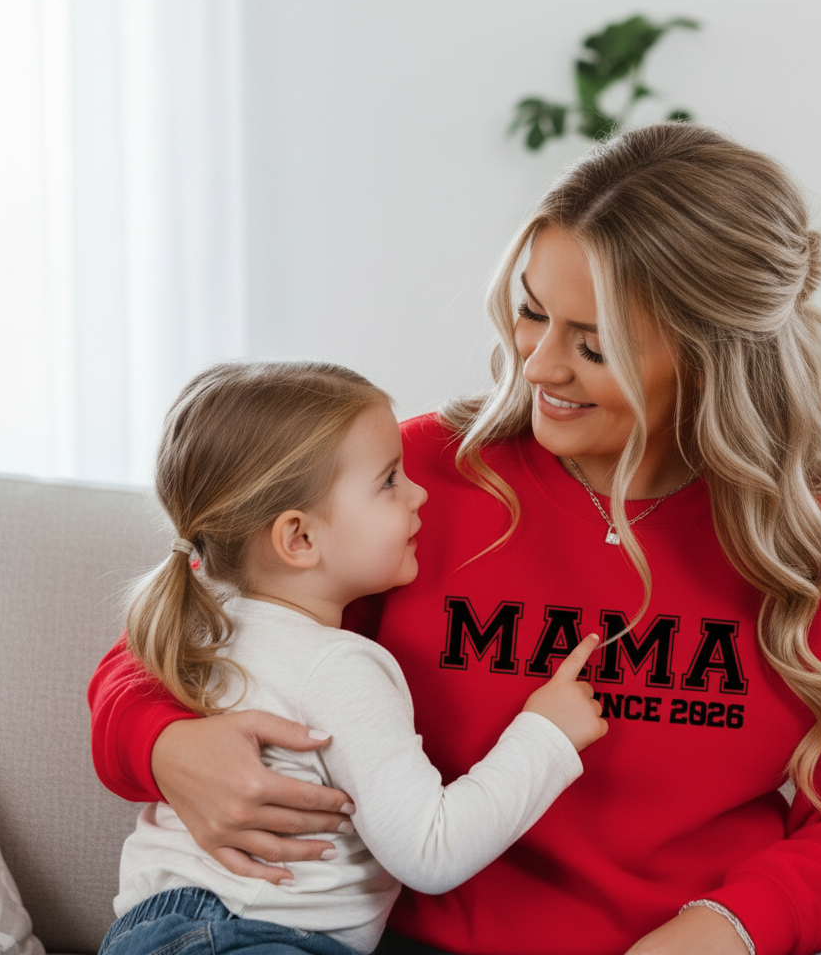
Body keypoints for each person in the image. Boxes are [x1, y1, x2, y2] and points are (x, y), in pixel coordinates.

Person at [90, 122, 821, 955]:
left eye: (594, 346)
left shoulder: (808, 552)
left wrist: (727, 931)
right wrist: (162, 745)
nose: (537, 365)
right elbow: (190, 632)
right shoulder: (410, 483)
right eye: (532, 312)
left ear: (710, 358)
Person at [96, 361, 607, 955]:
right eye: (389, 480)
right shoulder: (338, 668)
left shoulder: (198, 619)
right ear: (299, 539)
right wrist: (546, 735)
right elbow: (431, 851)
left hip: (150, 928)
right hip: (254, 935)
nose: (419, 493)